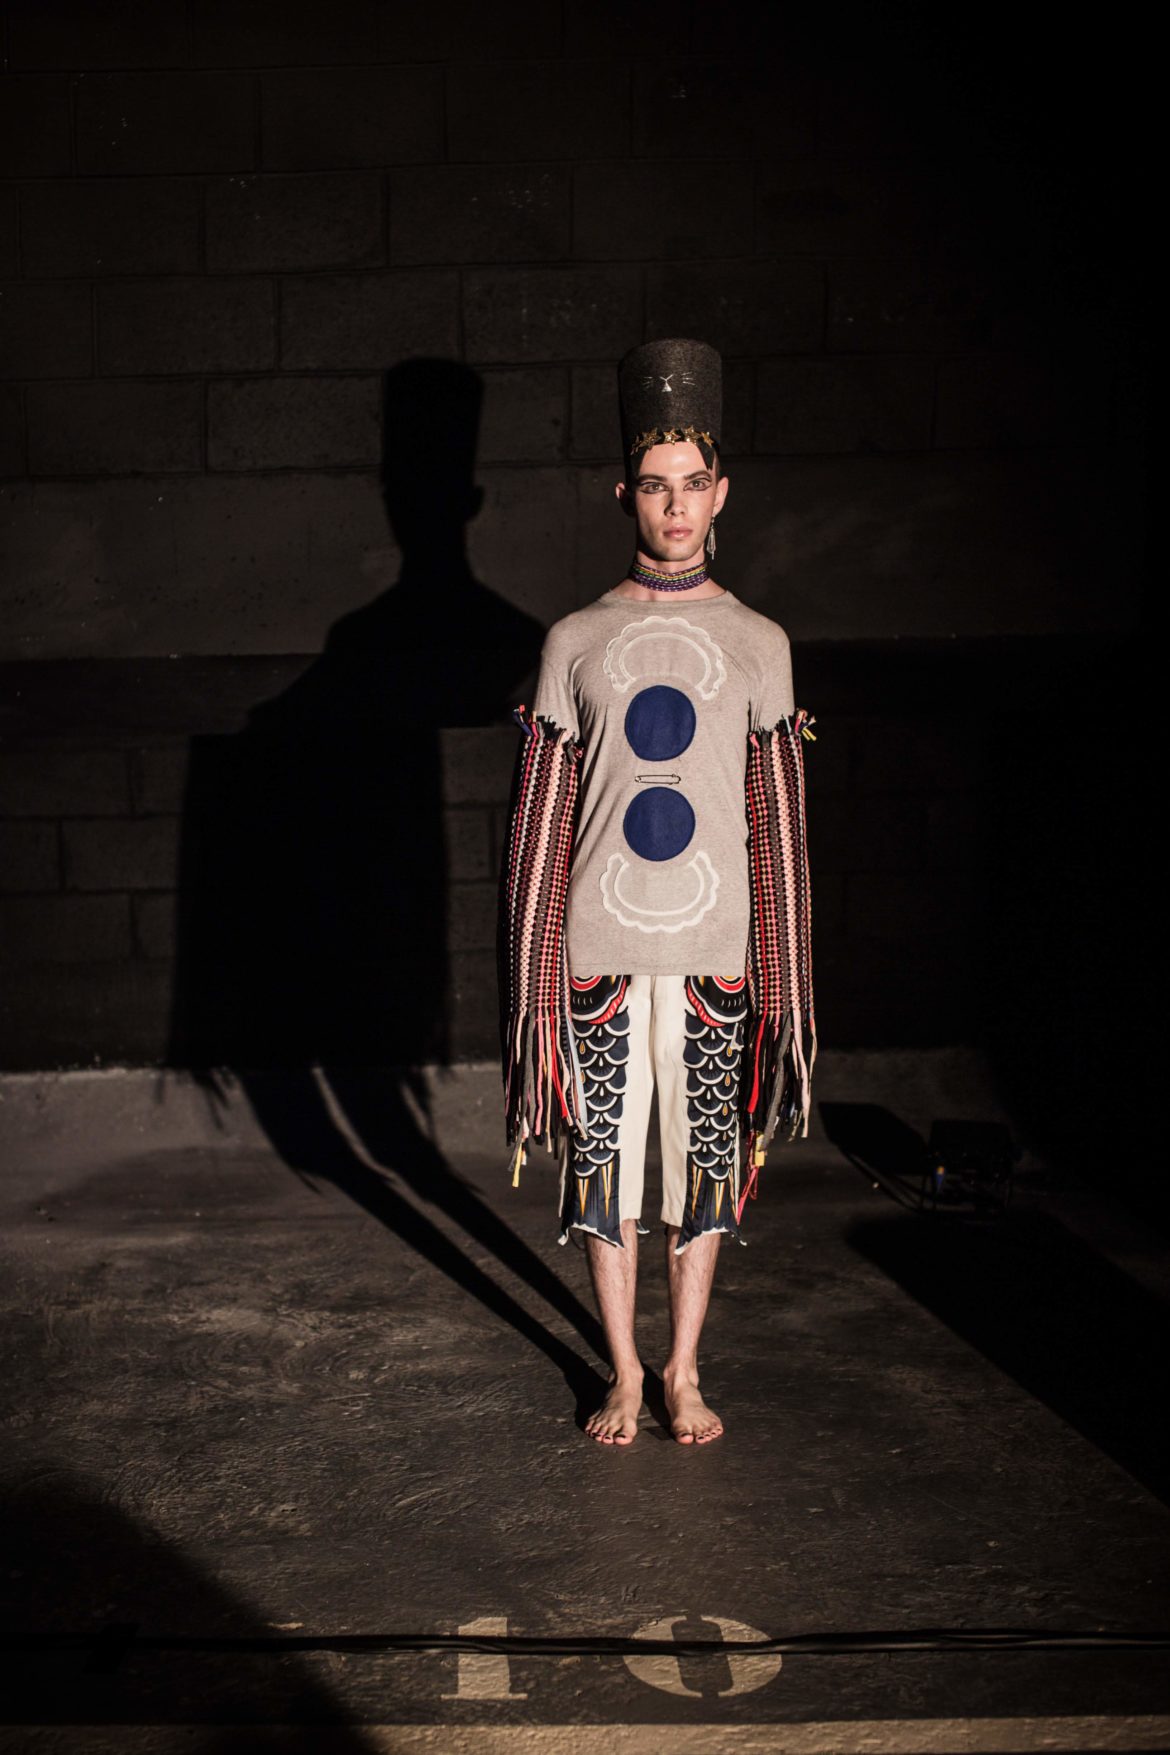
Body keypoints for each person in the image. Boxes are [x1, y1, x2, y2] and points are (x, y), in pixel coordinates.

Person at [498, 338, 815, 1449]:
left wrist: (782, 973)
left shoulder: (760, 644)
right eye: (654, 485)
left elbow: (780, 833)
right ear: (624, 495)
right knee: (601, 1173)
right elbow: (539, 830)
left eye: (693, 484)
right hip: (599, 951)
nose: (675, 507)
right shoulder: (576, 641)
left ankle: (683, 1368)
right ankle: (624, 1371)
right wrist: (537, 974)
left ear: (720, 493)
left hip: (716, 952)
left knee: (707, 1173)